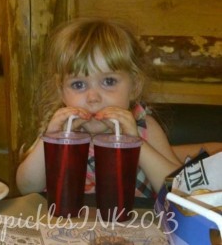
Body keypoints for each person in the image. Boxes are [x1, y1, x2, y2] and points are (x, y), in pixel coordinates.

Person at [16, 17, 182, 198]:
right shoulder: (60, 131)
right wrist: (50, 140)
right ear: (61, 90)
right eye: (78, 85)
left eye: (108, 81)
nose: (93, 98)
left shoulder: (144, 127)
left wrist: (136, 143)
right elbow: (27, 188)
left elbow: (179, 189)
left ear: (134, 86)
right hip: (66, 224)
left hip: (133, 224)